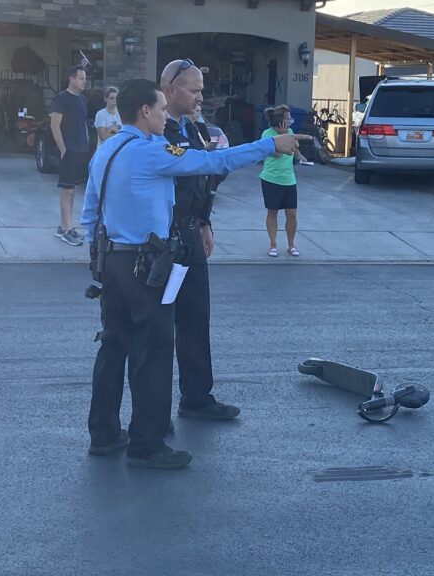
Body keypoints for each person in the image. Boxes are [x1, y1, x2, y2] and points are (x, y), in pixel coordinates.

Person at [80, 78, 308, 469]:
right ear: (146, 112)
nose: (166, 113)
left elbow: (89, 212)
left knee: (113, 346)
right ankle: (147, 445)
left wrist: (100, 254)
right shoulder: (149, 153)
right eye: (161, 108)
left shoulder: (106, 149)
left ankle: (103, 433)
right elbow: (212, 161)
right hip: (144, 265)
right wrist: (269, 144)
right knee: (153, 350)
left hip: (111, 262)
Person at [160, 59, 240, 423]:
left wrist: (205, 222)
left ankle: (196, 396)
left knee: (195, 319)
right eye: (193, 91)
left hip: (192, 234)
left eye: (201, 90)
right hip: (163, 239)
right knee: (159, 327)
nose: (200, 98)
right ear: (170, 89)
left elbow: (205, 179)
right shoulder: (157, 133)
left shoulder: (193, 130)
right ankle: (153, 410)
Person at [259, 105, 307, 257]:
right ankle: (273, 244)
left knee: (292, 214)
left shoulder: (290, 132)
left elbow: (294, 147)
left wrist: (300, 156)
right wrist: (281, 135)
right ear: (280, 121)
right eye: (287, 118)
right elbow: (277, 154)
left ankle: (291, 245)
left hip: (289, 179)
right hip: (271, 179)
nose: (290, 120)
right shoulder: (267, 134)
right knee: (272, 212)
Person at [50, 65, 89, 246]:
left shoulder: (82, 99)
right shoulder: (61, 98)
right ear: (72, 79)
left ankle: (62, 226)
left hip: (81, 149)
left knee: (73, 191)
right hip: (69, 150)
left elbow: (83, 124)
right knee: (67, 190)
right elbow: (54, 125)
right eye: (81, 78)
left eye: (84, 78)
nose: (84, 81)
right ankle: (67, 230)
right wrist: (63, 149)